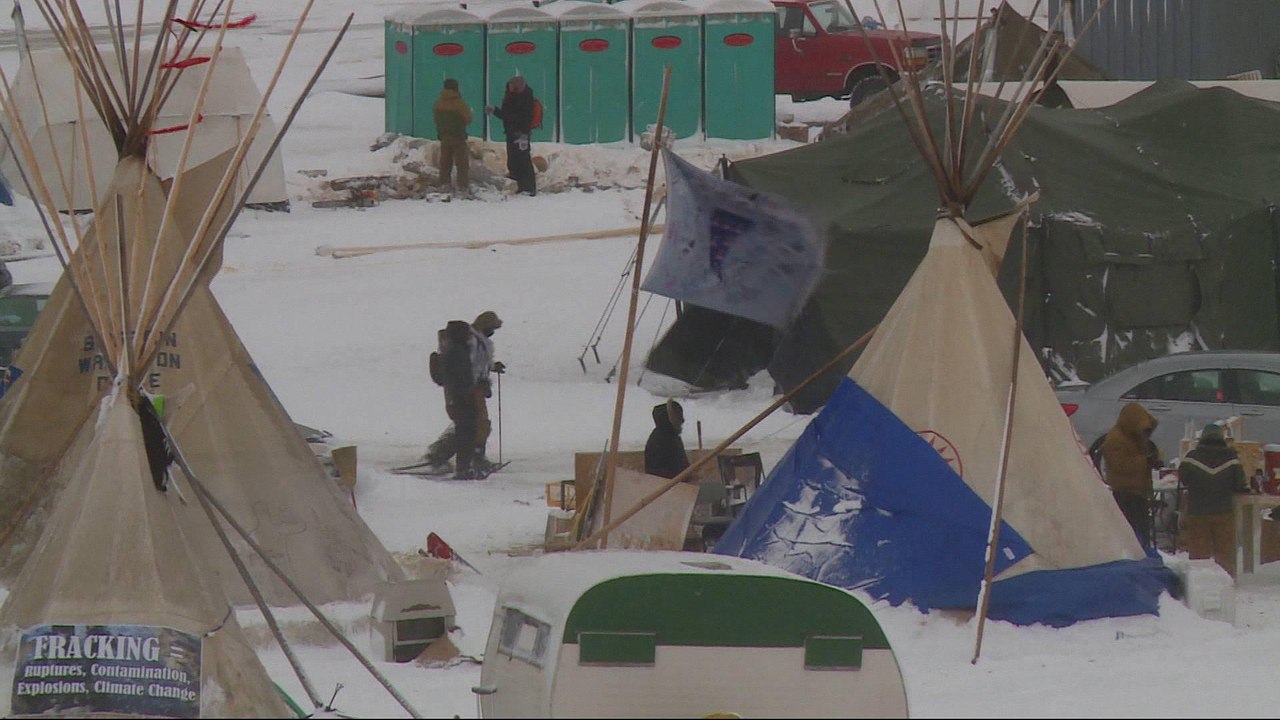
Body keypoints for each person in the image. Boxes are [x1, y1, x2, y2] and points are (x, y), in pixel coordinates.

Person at [1178, 423, 1249, 576]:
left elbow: (1183, 479)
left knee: (1199, 551)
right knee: (1225, 552)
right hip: (1224, 512)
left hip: (1198, 512)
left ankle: (1200, 581)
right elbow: (1240, 484)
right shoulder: (1231, 458)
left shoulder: (1191, 458)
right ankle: (1226, 580)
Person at [1101, 402, 1161, 548]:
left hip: (1137, 491)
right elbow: (1120, 465)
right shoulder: (1115, 439)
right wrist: (1144, 461)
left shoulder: (1133, 437)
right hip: (1125, 493)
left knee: (1140, 531)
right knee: (1133, 533)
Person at [485, 76, 537, 196]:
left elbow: (526, 118)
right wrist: (495, 110)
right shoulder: (511, 96)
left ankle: (528, 187)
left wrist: (524, 133)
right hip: (511, 133)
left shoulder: (525, 98)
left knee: (523, 160)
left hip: (520, 134)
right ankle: (518, 184)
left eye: (512, 85)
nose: (509, 87)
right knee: (513, 160)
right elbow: (507, 115)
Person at [469, 310, 504, 472]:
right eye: (492, 328)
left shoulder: (480, 341)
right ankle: (476, 457)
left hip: (476, 387)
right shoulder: (473, 341)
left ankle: (476, 455)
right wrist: (481, 378)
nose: (493, 332)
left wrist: (493, 366)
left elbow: (481, 362)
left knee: (479, 422)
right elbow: (472, 364)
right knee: (480, 422)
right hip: (473, 387)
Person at [432, 78, 473, 196]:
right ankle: (462, 187)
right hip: (458, 136)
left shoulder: (438, 102)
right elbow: (468, 119)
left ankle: (444, 184)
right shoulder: (459, 103)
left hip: (444, 136)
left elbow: (436, 119)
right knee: (462, 163)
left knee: (445, 162)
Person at [645, 400, 689, 480]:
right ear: (669, 419)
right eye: (678, 416)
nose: (682, 420)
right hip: (668, 489)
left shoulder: (671, 437)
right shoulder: (662, 440)